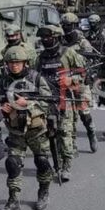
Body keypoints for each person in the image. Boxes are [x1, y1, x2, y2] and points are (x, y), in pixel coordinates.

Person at [0, 46, 55, 210]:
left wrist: (28, 104)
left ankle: (43, 191)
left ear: (25, 63)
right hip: (16, 131)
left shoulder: (36, 78)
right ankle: (13, 200)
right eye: (11, 63)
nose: (14, 65)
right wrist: (2, 107)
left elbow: (48, 102)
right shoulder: (3, 80)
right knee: (12, 163)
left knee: (42, 161)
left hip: (37, 130)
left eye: (18, 62)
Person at [35, 25, 85, 182]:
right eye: (43, 38)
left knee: (65, 133)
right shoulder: (40, 58)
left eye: (48, 37)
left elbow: (83, 73)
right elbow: (34, 77)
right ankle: (59, 163)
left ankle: (66, 166)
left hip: (65, 98)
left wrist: (71, 80)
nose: (45, 40)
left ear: (56, 37)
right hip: (47, 101)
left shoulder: (68, 53)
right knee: (52, 134)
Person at [60, 13, 97, 152]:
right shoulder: (60, 41)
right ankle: (72, 145)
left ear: (75, 25)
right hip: (64, 82)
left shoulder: (83, 42)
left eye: (68, 25)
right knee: (69, 116)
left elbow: (89, 61)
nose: (66, 28)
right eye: (64, 25)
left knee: (84, 113)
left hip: (79, 81)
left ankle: (91, 133)